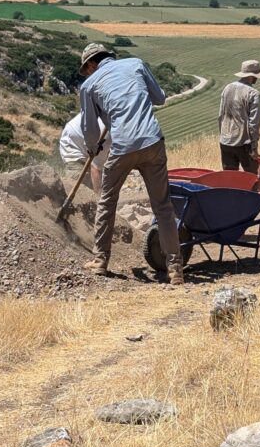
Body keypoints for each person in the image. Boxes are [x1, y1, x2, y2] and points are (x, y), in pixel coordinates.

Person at [77, 42, 184, 285]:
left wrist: (93, 148)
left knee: (106, 202)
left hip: (123, 146)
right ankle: (175, 267)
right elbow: (160, 98)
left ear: (92, 63)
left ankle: (100, 260)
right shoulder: (136, 64)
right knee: (163, 207)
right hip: (152, 142)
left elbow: (89, 128)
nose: (88, 73)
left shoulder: (89, 86)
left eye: (87, 68)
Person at [218, 60, 260, 173]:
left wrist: (223, 135)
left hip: (225, 141)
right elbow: (254, 123)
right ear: (252, 76)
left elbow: (220, 116)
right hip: (243, 142)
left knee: (230, 178)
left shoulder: (227, 88)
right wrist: (254, 147)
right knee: (251, 178)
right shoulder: (253, 94)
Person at [58, 112, 108, 192]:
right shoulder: (105, 134)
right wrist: (100, 198)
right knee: (81, 187)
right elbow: (96, 168)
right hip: (73, 144)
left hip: (87, 139)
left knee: (97, 182)